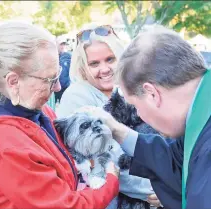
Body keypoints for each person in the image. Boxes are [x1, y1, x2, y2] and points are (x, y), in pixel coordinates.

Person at [81, 26, 211, 209]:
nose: (139, 114)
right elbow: (179, 162)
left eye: (135, 106)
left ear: (152, 93)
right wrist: (118, 131)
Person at [0, 21, 120, 209]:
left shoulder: (38, 111)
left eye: (58, 75)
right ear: (13, 81)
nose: (58, 87)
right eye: (50, 79)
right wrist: (110, 179)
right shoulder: (4, 146)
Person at [56, 23, 161, 208]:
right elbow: (103, 163)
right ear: (82, 67)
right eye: (94, 63)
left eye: (110, 59)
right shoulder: (77, 97)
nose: (104, 69)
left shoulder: (132, 88)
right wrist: (157, 189)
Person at [55, 36, 72, 103]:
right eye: (61, 44)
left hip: (65, 88)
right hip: (55, 88)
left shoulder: (68, 56)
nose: (62, 46)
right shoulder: (53, 56)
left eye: (64, 44)